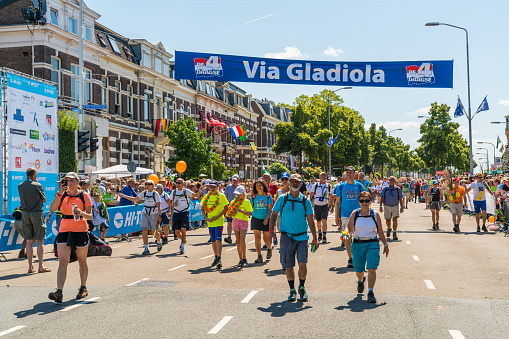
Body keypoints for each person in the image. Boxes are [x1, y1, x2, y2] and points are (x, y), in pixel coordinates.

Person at [268, 173, 319, 302]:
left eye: (297, 182)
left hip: (302, 236)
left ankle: (301, 288)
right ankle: (292, 289)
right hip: (286, 236)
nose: (295, 184)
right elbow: (273, 215)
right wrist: (271, 231)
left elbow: (311, 220)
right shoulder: (282, 199)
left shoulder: (305, 200)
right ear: (289, 184)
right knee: (288, 265)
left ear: (301, 184)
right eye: (292, 182)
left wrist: (315, 238)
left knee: (302, 263)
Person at [47, 172, 93, 303]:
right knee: (62, 261)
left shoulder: (84, 196)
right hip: (64, 230)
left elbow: (89, 216)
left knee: (82, 260)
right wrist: (59, 194)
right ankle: (59, 292)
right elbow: (51, 209)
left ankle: (83, 287)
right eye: (67, 180)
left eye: (72, 180)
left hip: (80, 230)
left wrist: (81, 212)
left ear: (77, 182)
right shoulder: (62, 195)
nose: (69, 183)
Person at [347, 191, 389, 303]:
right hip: (357, 244)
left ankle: (370, 292)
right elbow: (348, 227)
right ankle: (360, 280)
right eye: (362, 201)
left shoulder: (375, 215)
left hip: (372, 243)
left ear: (370, 201)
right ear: (359, 202)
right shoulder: (355, 213)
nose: (364, 203)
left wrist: (385, 244)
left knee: (371, 268)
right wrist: (345, 234)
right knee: (358, 269)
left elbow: (380, 231)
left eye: (367, 200)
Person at [17, 167, 49, 274]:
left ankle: (30, 267)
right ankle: (40, 266)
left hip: (25, 214)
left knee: (29, 242)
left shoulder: (20, 186)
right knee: (40, 241)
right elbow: (44, 200)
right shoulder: (37, 185)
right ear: (34, 174)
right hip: (37, 213)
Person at [119, 180, 162, 255]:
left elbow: (158, 205)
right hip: (145, 212)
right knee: (144, 229)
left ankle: (159, 241)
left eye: (149, 184)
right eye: (146, 184)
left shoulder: (155, 194)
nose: (147, 185)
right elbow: (134, 199)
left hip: (154, 213)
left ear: (152, 185)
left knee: (153, 231)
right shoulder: (144, 193)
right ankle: (146, 248)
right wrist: (124, 196)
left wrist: (159, 215)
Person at [334, 166, 365, 268]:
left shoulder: (360, 186)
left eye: (350, 172)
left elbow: (365, 202)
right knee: (346, 237)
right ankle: (350, 258)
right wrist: (336, 216)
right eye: (347, 172)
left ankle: (358, 256)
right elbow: (337, 202)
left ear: (354, 174)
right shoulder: (340, 187)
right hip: (345, 215)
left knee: (358, 237)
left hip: (358, 215)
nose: (348, 174)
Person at [201, 180, 229, 269]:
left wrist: (218, 216)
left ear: (217, 188)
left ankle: (219, 258)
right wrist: (206, 217)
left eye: (214, 187)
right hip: (210, 222)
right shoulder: (206, 197)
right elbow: (202, 208)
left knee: (218, 239)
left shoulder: (221, 196)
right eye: (211, 187)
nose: (212, 189)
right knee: (213, 240)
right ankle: (216, 256)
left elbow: (226, 208)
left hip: (218, 221)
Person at [226, 185, 252, 267]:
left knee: (242, 240)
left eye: (240, 194)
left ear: (244, 194)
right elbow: (231, 215)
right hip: (235, 221)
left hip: (244, 221)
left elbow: (249, 213)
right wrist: (233, 211)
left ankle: (244, 257)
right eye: (237, 194)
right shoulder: (233, 202)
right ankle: (240, 259)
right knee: (238, 241)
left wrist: (242, 211)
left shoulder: (247, 202)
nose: (238, 196)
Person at [168, 179, 193, 254]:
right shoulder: (174, 192)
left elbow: (195, 195)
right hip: (176, 212)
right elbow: (169, 201)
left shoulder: (186, 191)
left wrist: (200, 191)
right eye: (177, 183)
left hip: (185, 212)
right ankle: (183, 239)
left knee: (183, 229)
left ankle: (182, 246)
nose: (178, 184)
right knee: (177, 232)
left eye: (179, 183)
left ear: (183, 184)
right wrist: (173, 204)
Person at [251, 180, 274, 263]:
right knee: (257, 238)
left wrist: (267, 218)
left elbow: (269, 209)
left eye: (260, 185)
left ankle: (269, 248)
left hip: (266, 219)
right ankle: (259, 256)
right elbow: (250, 207)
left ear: (263, 186)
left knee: (265, 239)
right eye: (257, 186)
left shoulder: (268, 196)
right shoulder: (254, 196)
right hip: (256, 218)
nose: (259, 187)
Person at [309, 172, 333, 243]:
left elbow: (330, 196)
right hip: (317, 206)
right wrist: (309, 204)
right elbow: (311, 195)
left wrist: (332, 206)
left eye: (325, 176)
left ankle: (324, 236)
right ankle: (319, 233)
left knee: (324, 220)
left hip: (325, 206)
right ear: (319, 177)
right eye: (322, 176)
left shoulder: (328, 186)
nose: (324, 177)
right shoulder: (315, 185)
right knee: (318, 221)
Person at [379, 176, 404, 241]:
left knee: (395, 218)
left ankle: (394, 232)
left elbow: (400, 198)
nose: (390, 181)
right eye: (389, 180)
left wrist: (402, 207)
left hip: (395, 206)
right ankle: (389, 228)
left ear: (394, 181)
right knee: (388, 220)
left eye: (392, 180)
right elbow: (382, 198)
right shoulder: (385, 189)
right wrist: (381, 206)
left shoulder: (397, 189)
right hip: (387, 206)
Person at [223, 175, 240, 244]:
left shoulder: (240, 187)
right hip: (230, 207)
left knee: (237, 223)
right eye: (233, 180)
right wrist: (225, 207)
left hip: (238, 207)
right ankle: (229, 237)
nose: (234, 181)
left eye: (235, 180)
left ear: (238, 180)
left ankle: (237, 238)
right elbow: (226, 197)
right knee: (229, 223)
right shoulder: (228, 187)